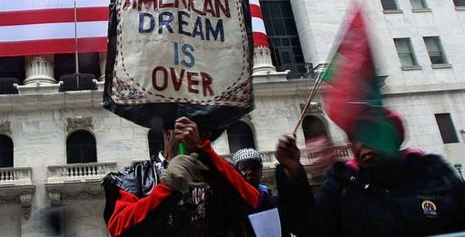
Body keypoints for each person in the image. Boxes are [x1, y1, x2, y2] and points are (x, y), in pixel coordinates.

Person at [275, 109, 465, 237]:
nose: (364, 144)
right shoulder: (342, 183)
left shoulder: (434, 173)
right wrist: (294, 174)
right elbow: (308, 228)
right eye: (357, 138)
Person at [102, 117, 262, 236]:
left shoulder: (215, 169)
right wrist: (166, 189)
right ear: (166, 132)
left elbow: (252, 204)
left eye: (196, 128)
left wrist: (206, 154)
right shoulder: (137, 176)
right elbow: (118, 229)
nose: (189, 133)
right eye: (182, 127)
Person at [231, 148, 283, 236]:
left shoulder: (274, 203)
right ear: (236, 174)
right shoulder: (230, 204)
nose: (250, 172)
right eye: (244, 169)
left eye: (254, 168)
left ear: (261, 173)